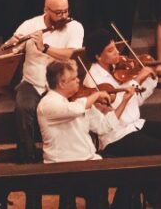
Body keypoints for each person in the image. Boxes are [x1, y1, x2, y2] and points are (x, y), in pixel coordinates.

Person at [85, 29, 161, 209]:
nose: (117, 53)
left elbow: (136, 100)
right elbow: (118, 106)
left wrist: (153, 76)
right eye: (110, 50)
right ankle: (156, 197)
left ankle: (152, 192)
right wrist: (137, 79)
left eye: (115, 48)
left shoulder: (118, 70)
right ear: (98, 56)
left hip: (134, 125)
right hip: (115, 134)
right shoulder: (93, 80)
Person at [0, 0, 85, 164]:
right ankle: (28, 159)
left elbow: (70, 54)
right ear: (46, 10)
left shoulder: (75, 26)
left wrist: (44, 47)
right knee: (23, 108)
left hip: (60, 86)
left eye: (66, 11)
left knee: (67, 111)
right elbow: (7, 52)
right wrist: (11, 44)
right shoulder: (30, 25)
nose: (63, 16)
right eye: (58, 12)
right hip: (32, 82)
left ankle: (63, 157)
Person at [37, 60, 114, 208]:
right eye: (73, 78)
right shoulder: (47, 103)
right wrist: (95, 96)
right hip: (61, 167)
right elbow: (73, 111)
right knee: (97, 187)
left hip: (86, 162)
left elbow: (103, 127)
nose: (78, 81)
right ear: (61, 83)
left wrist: (122, 103)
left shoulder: (77, 101)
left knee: (128, 175)